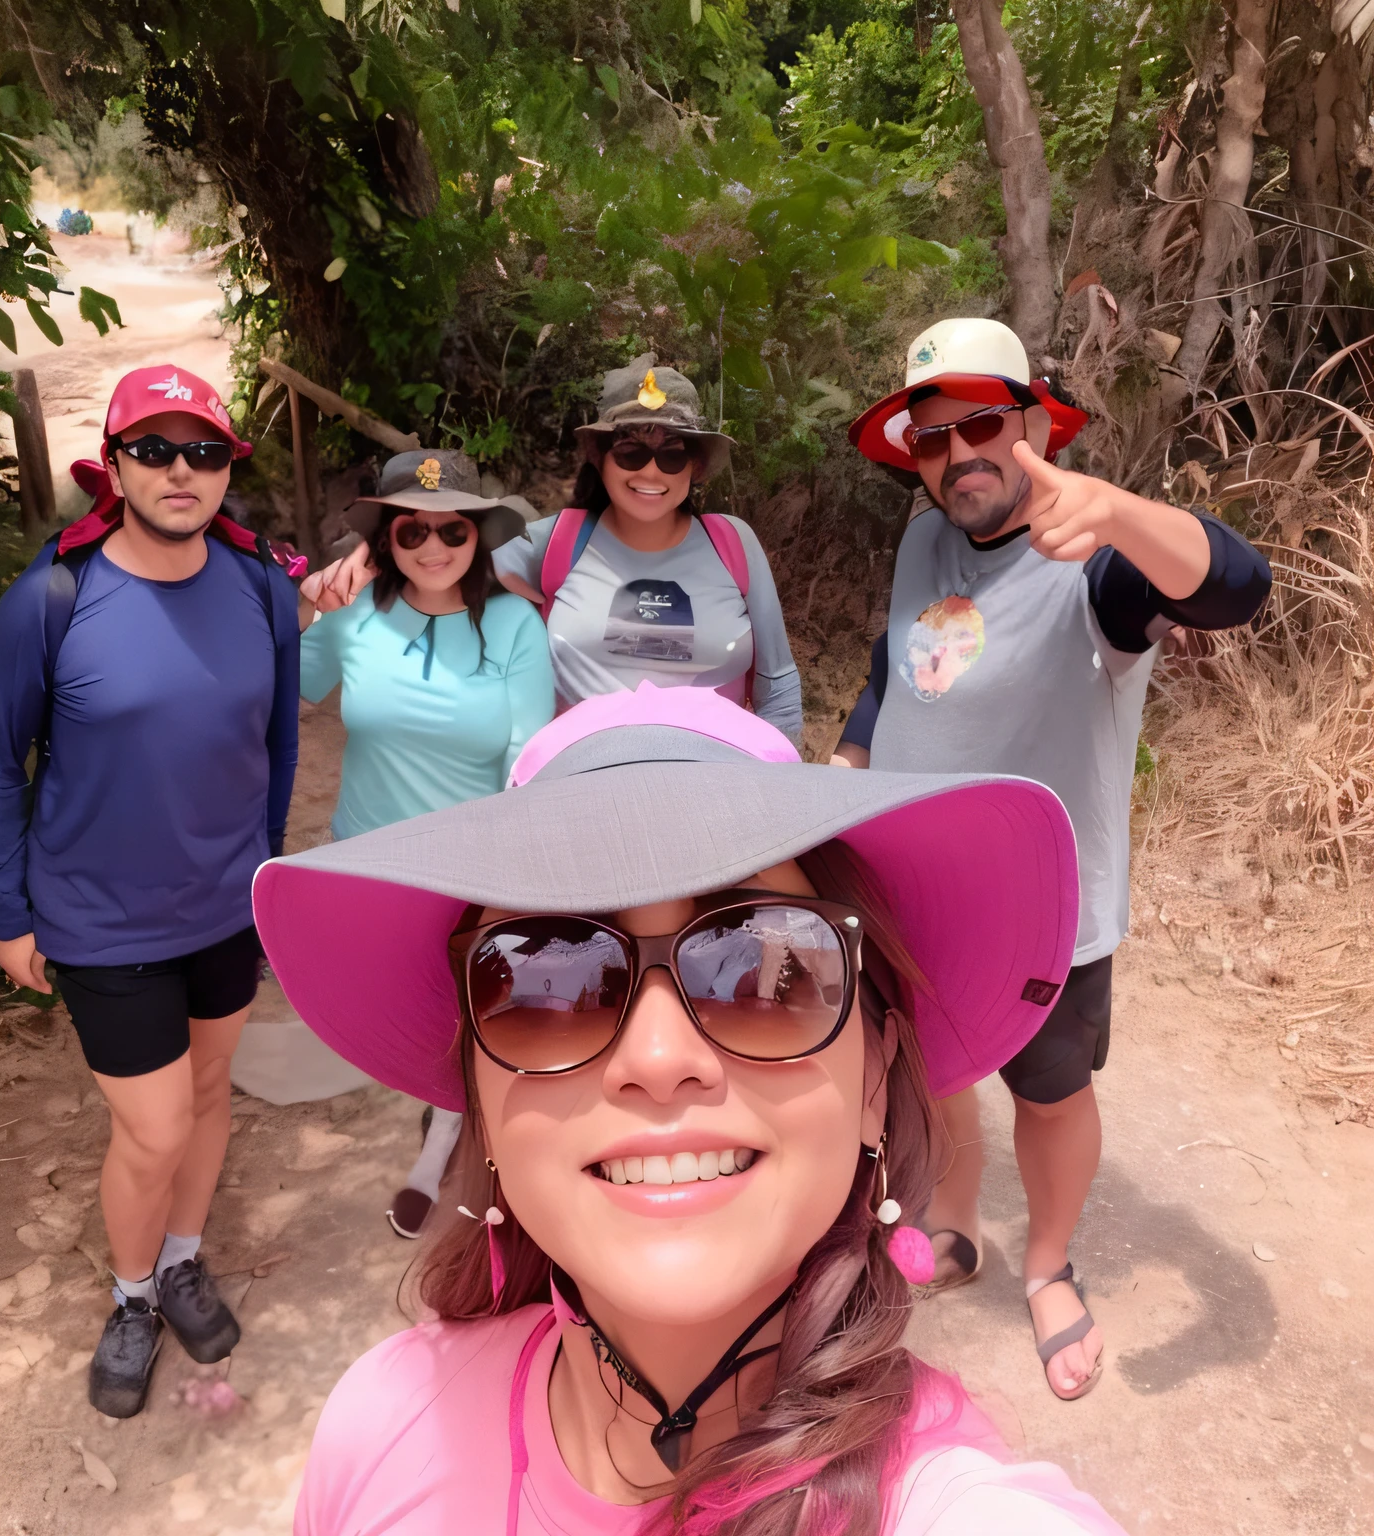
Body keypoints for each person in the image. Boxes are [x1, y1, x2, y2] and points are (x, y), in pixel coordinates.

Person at [254, 683, 1128, 1536]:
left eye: (764, 972)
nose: (660, 1060)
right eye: (545, 981)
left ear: (873, 1085)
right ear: (481, 1110)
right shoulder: (380, 1424)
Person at [836, 317, 1272, 1400]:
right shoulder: (922, 540)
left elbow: (1237, 589)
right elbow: (902, 660)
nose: (957, 455)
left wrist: (1123, 512)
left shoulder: (1098, 557)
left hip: (1046, 905)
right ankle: (954, 1219)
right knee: (929, 1066)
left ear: (1038, 421)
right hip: (913, 883)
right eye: (930, 439)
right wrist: (851, 749)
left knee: (1049, 1087)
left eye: (981, 424)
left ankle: (1048, 1264)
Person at [0, 364, 302, 1418]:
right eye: (152, 450)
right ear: (112, 469)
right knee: (151, 1128)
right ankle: (131, 1296)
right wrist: (8, 913)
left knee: (207, 1096)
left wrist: (271, 878)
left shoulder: (259, 588)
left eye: (201, 451)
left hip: (225, 906)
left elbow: (279, 743)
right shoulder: (52, 599)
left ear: (226, 470)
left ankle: (185, 1257)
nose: (179, 471)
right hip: (101, 918)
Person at [295, 449, 555, 1237]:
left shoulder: (512, 624)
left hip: (471, 864)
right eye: (413, 531)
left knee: (473, 1012)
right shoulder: (351, 621)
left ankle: (446, 1144)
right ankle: (445, 1112)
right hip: (371, 865)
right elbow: (280, 688)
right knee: (407, 1010)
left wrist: (511, 870)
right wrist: (300, 603)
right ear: (385, 537)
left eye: (453, 531)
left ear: (479, 535)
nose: (434, 548)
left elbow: (526, 753)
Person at [493, 354, 803, 742]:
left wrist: (784, 784)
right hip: (582, 781)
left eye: (672, 454)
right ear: (599, 458)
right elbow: (451, 567)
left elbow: (778, 686)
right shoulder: (556, 542)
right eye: (630, 452)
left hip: (716, 781)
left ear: (696, 465)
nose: (651, 472)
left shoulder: (733, 545)